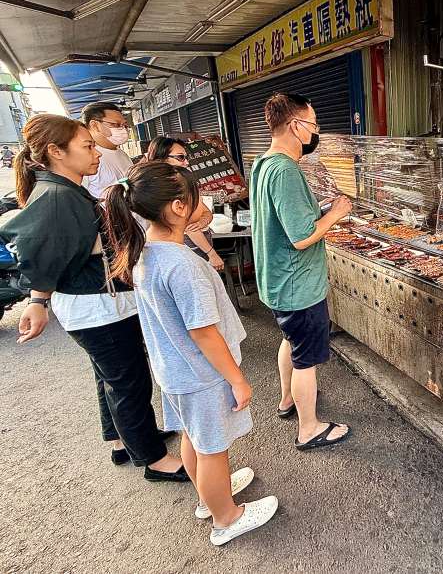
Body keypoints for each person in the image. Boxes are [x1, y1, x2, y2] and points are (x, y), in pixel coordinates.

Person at [0, 114, 187, 481]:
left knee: (110, 378)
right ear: (56, 152)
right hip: (98, 309)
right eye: (87, 146)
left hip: (96, 306)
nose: (96, 153)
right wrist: (37, 302)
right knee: (128, 381)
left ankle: (122, 440)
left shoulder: (66, 188)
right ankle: (154, 460)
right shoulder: (56, 196)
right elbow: (36, 249)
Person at [105, 162, 277, 545]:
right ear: (180, 207)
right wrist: (237, 378)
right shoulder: (182, 265)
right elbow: (203, 331)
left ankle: (207, 497)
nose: (205, 203)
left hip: (176, 371)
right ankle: (226, 517)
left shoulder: (146, 251)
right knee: (214, 448)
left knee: (195, 437)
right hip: (202, 375)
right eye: (198, 197)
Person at [249, 93, 352, 451]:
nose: (316, 130)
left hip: (277, 280)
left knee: (290, 340)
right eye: (313, 123)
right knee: (306, 359)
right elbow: (302, 237)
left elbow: (284, 217)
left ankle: (287, 399)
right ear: (295, 125)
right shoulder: (286, 170)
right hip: (297, 284)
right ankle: (309, 429)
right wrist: (336, 212)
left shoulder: (262, 164)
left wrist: (319, 207)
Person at [146, 136, 224, 271]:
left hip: (198, 242)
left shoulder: (184, 181)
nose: (186, 162)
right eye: (180, 157)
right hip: (190, 244)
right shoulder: (168, 188)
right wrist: (211, 253)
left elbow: (205, 211)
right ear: (161, 158)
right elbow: (187, 226)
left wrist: (201, 222)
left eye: (186, 157)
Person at [81, 102, 135, 199]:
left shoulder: (121, 153)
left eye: (124, 125)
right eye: (116, 124)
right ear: (94, 125)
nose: (123, 129)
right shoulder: (85, 159)